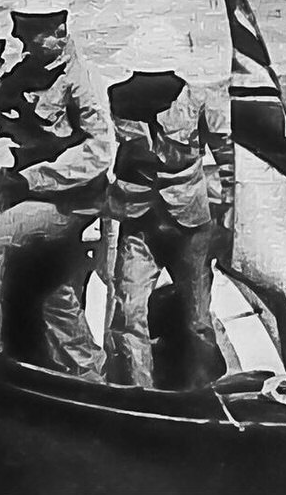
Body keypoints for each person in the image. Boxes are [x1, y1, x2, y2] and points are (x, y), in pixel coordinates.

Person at [0, 0, 114, 381]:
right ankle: (89, 371)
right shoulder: (31, 69)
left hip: (72, 200)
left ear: (59, 32)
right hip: (31, 190)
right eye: (20, 38)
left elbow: (98, 152)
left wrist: (31, 178)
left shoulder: (81, 82)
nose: (23, 46)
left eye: (31, 38)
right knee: (51, 290)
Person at [105, 22, 235, 390]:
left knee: (197, 318)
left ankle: (209, 391)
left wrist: (227, 211)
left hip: (190, 223)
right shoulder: (117, 96)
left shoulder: (199, 100)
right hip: (137, 218)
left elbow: (227, 157)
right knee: (129, 313)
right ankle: (138, 392)